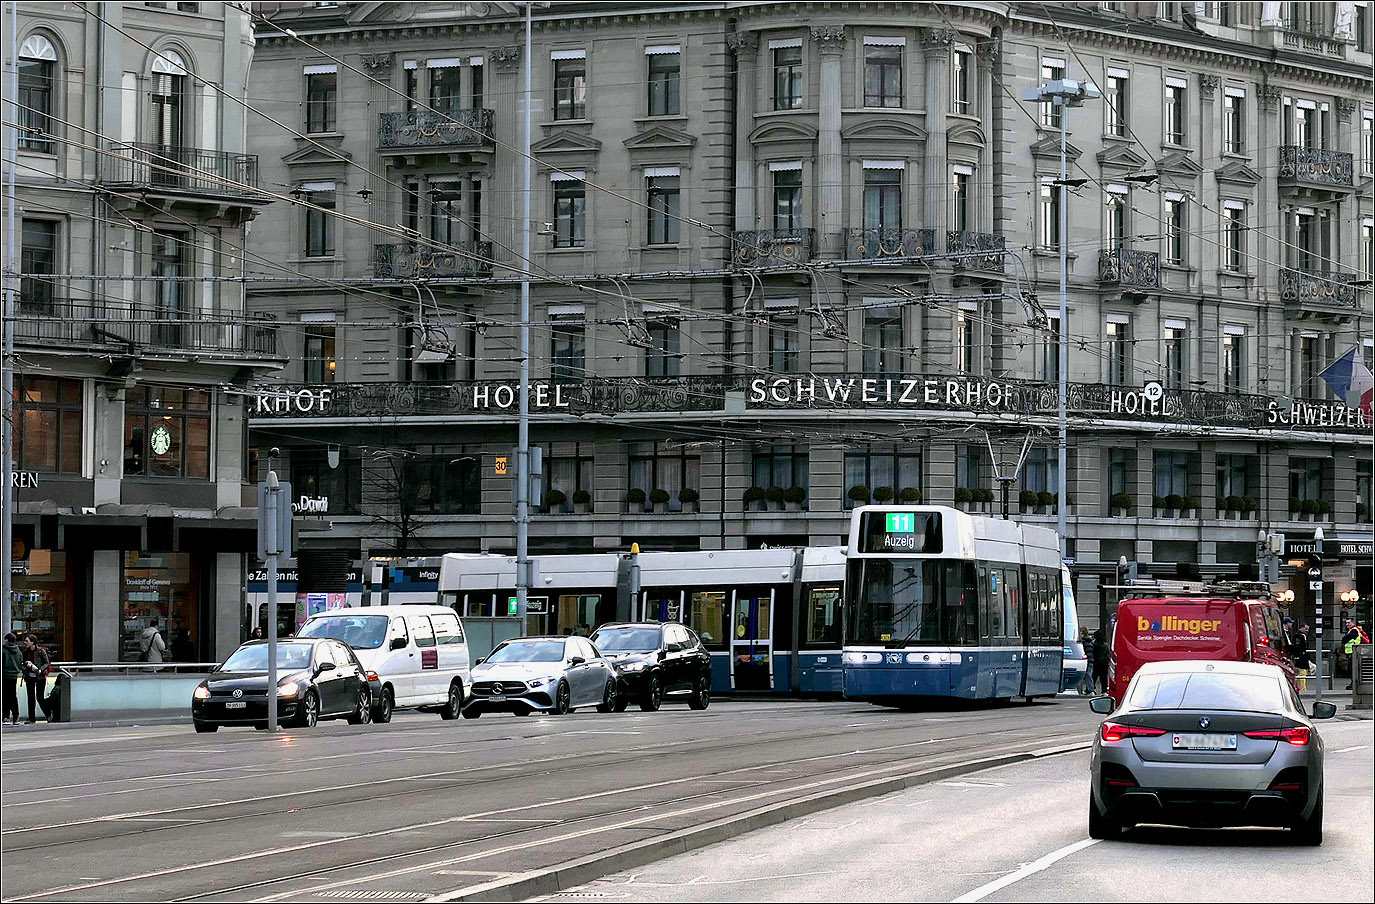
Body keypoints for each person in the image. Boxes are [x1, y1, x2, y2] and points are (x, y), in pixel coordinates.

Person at [20, 634, 50, 724]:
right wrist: (26, 668)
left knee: (40, 697)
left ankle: (48, 714)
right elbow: (22, 664)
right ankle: (31, 718)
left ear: (32, 642)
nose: (25, 643)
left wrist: (40, 669)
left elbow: (46, 662)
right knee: (30, 698)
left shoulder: (41, 651)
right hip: (29, 677)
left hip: (40, 677)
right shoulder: (25, 652)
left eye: (27, 641)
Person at [1342, 619, 1370, 690]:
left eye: (1349, 623)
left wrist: (1344, 639)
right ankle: (1353, 683)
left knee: (1352, 669)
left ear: (1353, 623)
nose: (1347, 624)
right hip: (1351, 652)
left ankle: (1354, 684)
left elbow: (1345, 639)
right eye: (1346, 623)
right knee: (1352, 669)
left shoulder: (1354, 630)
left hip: (1353, 652)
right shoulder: (1352, 630)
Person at [2, 633, 21, 725]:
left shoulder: (3, 650)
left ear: (7, 640)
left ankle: (6, 716)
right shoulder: (18, 651)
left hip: (5, 675)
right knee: (13, 696)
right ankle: (16, 717)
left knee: (5, 696)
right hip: (14, 676)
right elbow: (20, 662)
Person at [1091, 627, 1111, 695]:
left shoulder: (1095, 644)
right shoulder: (1105, 644)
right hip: (1104, 663)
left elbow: (1094, 654)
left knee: (1094, 677)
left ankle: (1092, 689)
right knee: (1103, 678)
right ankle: (1104, 691)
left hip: (1096, 663)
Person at [1295, 623, 1313, 691]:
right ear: (1302, 628)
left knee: (1303, 672)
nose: (1307, 630)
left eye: (1308, 629)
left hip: (1302, 656)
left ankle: (1294, 682)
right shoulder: (1300, 636)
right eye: (1306, 629)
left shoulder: (1301, 635)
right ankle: (1303, 688)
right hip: (1301, 656)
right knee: (1303, 672)